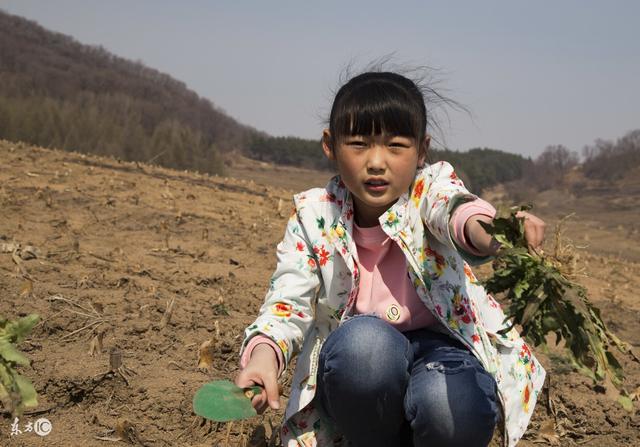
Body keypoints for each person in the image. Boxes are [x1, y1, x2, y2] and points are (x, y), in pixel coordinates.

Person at [235, 70, 546, 447]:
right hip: (360, 365)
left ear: (422, 150)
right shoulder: (314, 216)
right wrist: (264, 354)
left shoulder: (429, 190)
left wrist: (497, 232)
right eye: (359, 144)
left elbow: (457, 213)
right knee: (365, 348)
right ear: (330, 146)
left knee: (450, 407)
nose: (377, 162)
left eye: (396, 146)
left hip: (443, 348)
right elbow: (288, 301)